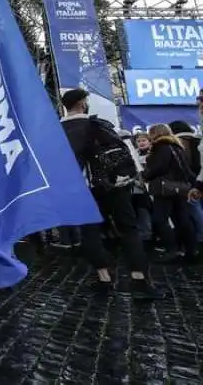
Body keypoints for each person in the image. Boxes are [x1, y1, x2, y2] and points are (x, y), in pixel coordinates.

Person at [59, 88, 162, 298]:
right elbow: (126, 156)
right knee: (128, 229)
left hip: (81, 190)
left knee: (90, 233)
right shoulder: (97, 125)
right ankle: (139, 280)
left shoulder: (57, 131)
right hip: (114, 187)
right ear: (82, 103)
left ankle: (104, 277)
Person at [143, 123, 198, 263]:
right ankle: (191, 250)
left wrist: (145, 174)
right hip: (180, 188)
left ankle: (172, 251)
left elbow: (158, 168)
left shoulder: (160, 147)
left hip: (164, 188)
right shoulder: (177, 146)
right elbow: (186, 169)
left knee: (160, 219)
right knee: (182, 220)